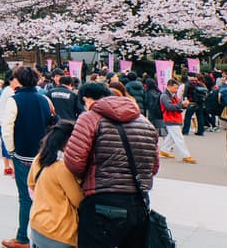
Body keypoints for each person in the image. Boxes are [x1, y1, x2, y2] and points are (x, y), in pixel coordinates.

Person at [64, 82, 159, 248]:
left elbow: (74, 162)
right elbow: (154, 167)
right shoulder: (146, 123)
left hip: (102, 202)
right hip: (139, 203)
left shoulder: (89, 118)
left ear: (86, 100)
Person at [1, 66, 53, 248]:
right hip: (42, 155)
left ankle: (22, 237)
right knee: (44, 196)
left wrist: (11, 151)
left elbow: (7, 129)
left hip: (23, 155)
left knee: (25, 197)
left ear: (19, 80)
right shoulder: (44, 99)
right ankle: (44, 235)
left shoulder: (14, 100)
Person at [27, 120, 84, 248]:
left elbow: (31, 184)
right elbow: (78, 200)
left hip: (37, 224)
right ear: (68, 142)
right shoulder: (62, 168)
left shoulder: (39, 158)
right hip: (58, 231)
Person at [159, 79, 197, 163]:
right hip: (170, 119)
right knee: (179, 138)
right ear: (169, 86)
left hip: (174, 118)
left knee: (172, 137)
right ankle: (185, 156)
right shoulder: (164, 96)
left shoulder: (172, 95)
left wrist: (183, 105)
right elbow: (169, 107)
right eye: (175, 88)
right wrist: (181, 104)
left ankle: (164, 150)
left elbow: (176, 106)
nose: (177, 90)